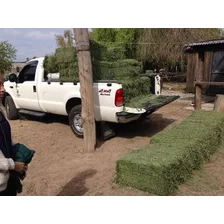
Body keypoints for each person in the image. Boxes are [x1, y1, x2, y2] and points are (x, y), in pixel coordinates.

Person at [0, 106, 27, 196]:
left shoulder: (0, 110)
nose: (3, 90)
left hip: (9, 179)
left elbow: (7, 139)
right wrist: (13, 165)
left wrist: (18, 158)